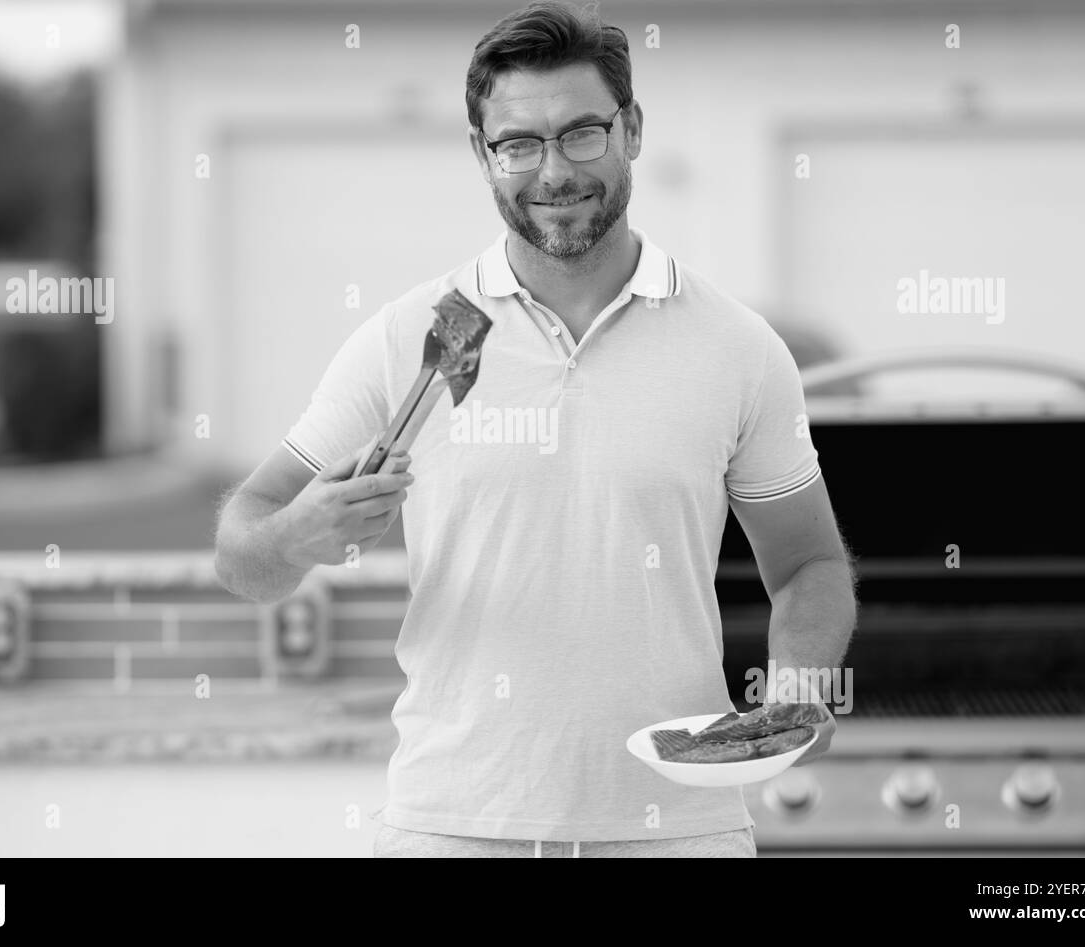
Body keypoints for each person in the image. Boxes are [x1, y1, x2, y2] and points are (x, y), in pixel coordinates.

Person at [214, 0, 856, 858]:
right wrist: (301, 533)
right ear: (483, 154)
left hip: (677, 827)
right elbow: (240, 552)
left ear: (631, 130)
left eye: (582, 133)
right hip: (451, 824)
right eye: (518, 143)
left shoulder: (737, 348)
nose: (553, 171)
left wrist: (800, 691)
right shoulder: (413, 338)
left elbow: (810, 564)